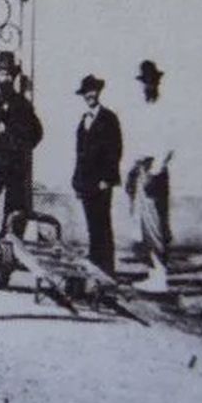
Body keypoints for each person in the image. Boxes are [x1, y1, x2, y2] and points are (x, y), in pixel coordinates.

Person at [0, 51, 43, 235]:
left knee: (14, 208)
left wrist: (20, 143)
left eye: (8, 74)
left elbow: (37, 133)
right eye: (1, 74)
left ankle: (11, 249)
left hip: (16, 165)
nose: (4, 78)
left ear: (13, 76)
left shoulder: (23, 104)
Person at [128, 59, 173, 292]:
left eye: (151, 82)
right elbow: (140, 143)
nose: (147, 86)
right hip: (141, 170)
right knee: (142, 226)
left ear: (157, 83)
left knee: (156, 225)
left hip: (155, 172)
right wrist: (135, 169)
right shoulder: (144, 110)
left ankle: (162, 276)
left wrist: (155, 171)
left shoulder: (163, 110)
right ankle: (153, 273)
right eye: (144, 82)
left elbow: (168, 146)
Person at [72, 74, 123, 276]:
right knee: (92, 226)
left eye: (92, 91)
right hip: (86, 182)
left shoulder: (109, 118)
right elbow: (80, 154)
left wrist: (107, 179)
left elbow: (116, 150)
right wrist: (77, 182)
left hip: (101, 182)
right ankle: (95, 265)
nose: (89, 95)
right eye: (86, 92)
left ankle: (107, 269)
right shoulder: (83, 120)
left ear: (98, 92)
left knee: (102, 224)